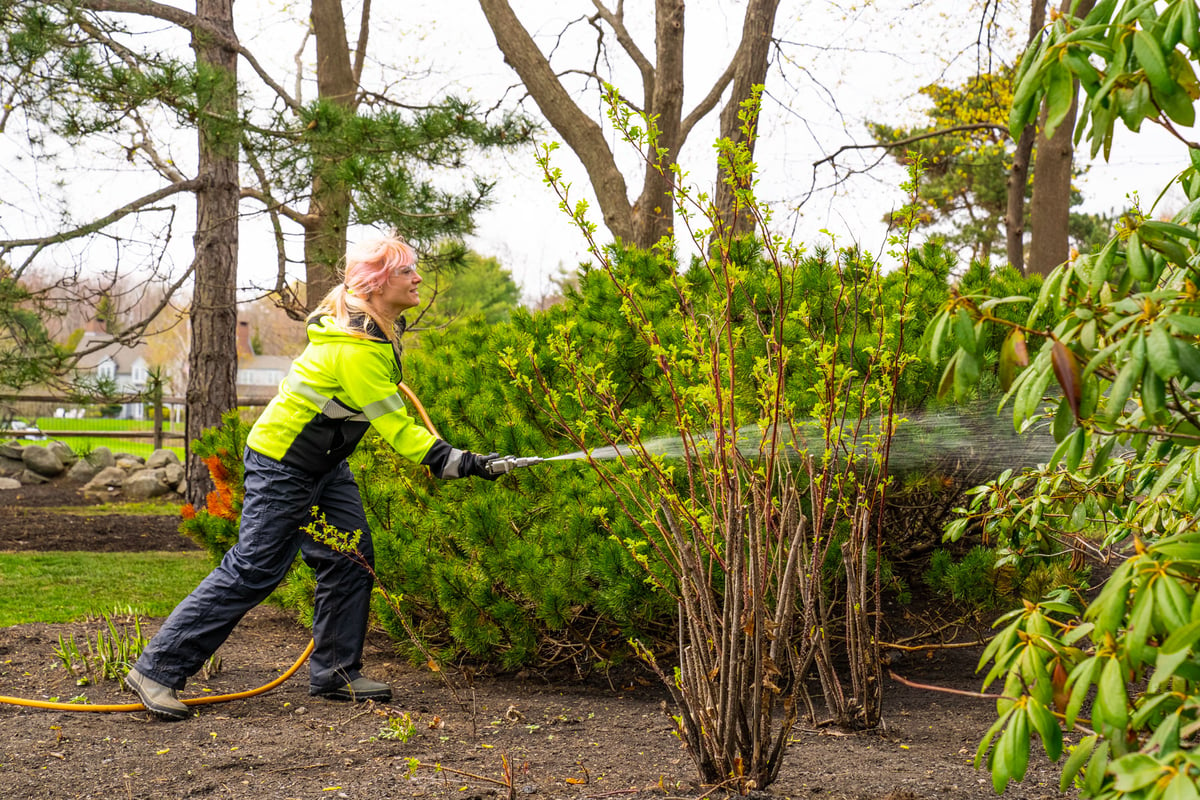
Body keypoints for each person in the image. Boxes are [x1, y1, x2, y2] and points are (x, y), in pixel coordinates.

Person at [126, 234, 507, 721]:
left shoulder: (373, 332)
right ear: (374, 286)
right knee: (255, 569)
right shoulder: (358, 349)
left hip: (324, 464)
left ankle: (335, 673)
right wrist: (465, 462)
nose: (417, 278)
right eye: (406, 272)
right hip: (283, 464)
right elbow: (399, 430)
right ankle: (157, 670)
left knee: (350, 559)